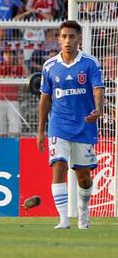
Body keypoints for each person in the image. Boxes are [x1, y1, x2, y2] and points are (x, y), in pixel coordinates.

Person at [38, 20, 103, 230]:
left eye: (71, 36)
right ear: (58, 39)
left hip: (84, 125)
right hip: (58, 125)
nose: (67, 40)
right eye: (64, 36)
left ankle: (83, 215)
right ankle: (64, 219)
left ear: (79, 39)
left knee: (83, 176)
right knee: (59, 166)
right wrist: (40, 131)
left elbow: (98, 89)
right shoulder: (49, 66)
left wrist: (99, 109)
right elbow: (45, 99)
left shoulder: (90, 63)